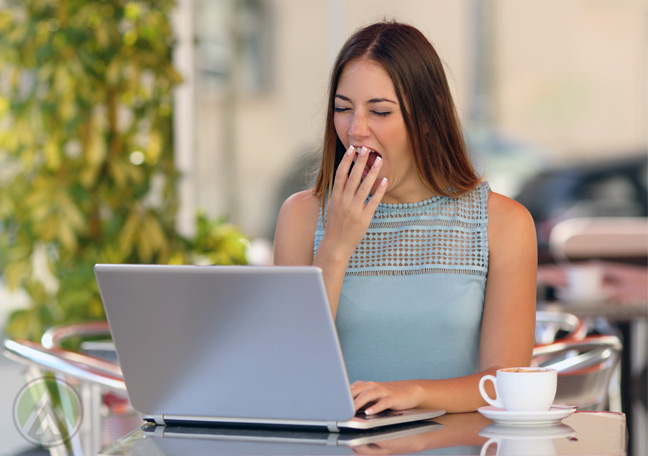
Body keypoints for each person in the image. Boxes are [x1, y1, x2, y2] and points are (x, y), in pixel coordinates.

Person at [273, 21, 537, 414]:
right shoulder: (301, 216)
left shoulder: (504, 224)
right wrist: (335, 247)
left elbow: (506, 382)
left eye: (379, 111)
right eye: (343, 109)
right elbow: (286, 373)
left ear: (426, 118)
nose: (356, 129)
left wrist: (415, 393)